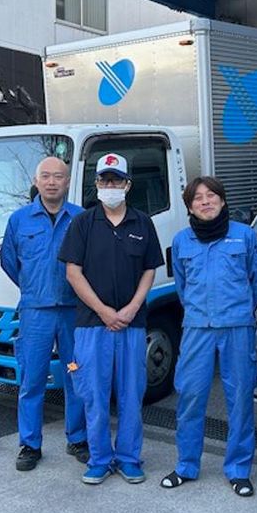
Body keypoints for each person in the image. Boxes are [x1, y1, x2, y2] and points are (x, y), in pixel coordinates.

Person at [59, 152, 164, 485]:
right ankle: (100, 458)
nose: (110, 185)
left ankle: (129, 458)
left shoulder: (142, 223)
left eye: (116, 180)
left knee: (132, 394)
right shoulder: (83, 223)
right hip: (93, 324)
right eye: (105, 180)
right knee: (93, 394)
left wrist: (132, 307)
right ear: (97, 184)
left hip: (132, 324)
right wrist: (103, 310)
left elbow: (149, 270)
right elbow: (73, 272)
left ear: (127, 185)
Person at [160, 177, 257, 497]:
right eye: (198, 198)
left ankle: (238, 470)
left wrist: (238, 312)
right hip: (197, 328)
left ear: (222, 200)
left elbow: (256, 281)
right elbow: (182, 286)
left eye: (211, 196)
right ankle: (186, 465)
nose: (205, 202)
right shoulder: (182, 241)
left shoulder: (244, 236)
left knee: (240, 399)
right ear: (190, 207)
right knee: (190, 396)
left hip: (237, 328)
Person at [1, 156, 87, 472]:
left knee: (76, 374)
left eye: (58, 176)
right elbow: (9, 262)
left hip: (73, 313)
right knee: (32, 379)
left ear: (68, 181)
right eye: (46, 176)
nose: (52, 182)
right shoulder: (20, 220)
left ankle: (78, 438)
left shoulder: (81, 218)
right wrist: (33, 288)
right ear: (36, 182)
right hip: (35, 314)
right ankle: (30, 444)